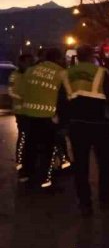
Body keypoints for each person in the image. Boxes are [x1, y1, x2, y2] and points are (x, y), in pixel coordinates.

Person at [61, 44, 109, 215]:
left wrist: (63, 125)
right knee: (104, 164)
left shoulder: (66, 74)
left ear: (77, 55)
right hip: (99, 124)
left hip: (77, 125)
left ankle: (85, 203)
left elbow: (62, 102)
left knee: (81, 166)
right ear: (92, 55)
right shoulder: (101, 73)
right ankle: (105, 199)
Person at [18, 48, 66, 190]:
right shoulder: (61, 72)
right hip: (48, 117)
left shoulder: (30, 70)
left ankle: (26, 175)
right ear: (57, 58)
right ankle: (46, 180)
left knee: (30, 147)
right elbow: (63, 97)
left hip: (28, 115)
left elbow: (22, 91)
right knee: (48, 149)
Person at [9, 52, 36, 175]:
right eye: (28, 62)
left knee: (30, 138)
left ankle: (29, 162)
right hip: (21, 112)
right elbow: (11, 91)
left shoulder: (32, 74)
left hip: (32, 111)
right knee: (23, 137)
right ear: (21, 62)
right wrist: (24, 98)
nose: (30, 64)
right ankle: (20, 162)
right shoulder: (14, 75)